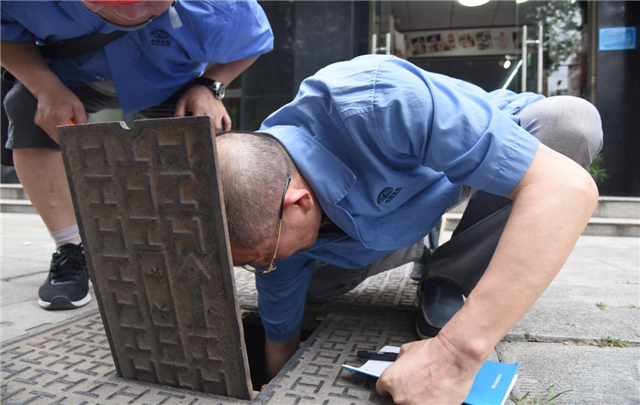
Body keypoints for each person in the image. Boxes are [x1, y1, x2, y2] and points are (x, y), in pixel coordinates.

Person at [216, 55, 602, 404]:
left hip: (461, 169)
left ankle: (447, 276)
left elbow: (565, 188)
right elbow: (280, 328)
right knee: (305, 292)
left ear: (298, 203)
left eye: (262, 257)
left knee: (570, 122)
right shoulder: (266, 216)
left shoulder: (377, 100)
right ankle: (413, 246)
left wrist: (453, 354)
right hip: (382, 229)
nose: (263, 267)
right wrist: (274, 384)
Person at [1, 0, 273, 310]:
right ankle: (71, 248)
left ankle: (199, 248)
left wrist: (210, 85)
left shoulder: (223, 4)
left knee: (204, 130)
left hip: (168, 84)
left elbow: (254, 40)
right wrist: (45, 88)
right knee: (26, 105)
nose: (131, 14)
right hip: (73, 79)